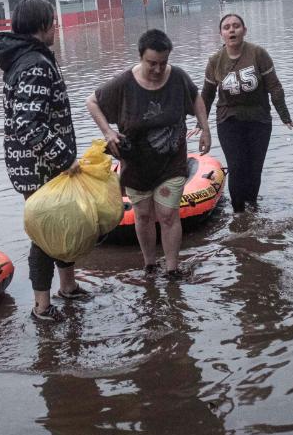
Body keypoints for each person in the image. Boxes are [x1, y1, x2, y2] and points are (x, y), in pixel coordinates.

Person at [86, 29, 211, 279]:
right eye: (152, 63)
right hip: (136, 163)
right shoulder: (124, 83)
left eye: (163, 63)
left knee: (168, 215)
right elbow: (92, 102)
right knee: (143, 215)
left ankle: (173, 269)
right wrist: (108, 132)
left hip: (171, 162)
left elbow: (196, 96)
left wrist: (205, 128)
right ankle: (150, 265)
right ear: (141, 57)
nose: (157, 69)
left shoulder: (177, 77)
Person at [0, 0, 88, 323]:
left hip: (33, 165)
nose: (56, 27)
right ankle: (42, 307)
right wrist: (65, 158)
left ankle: (68, 287)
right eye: (53, 21)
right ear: (42, 25)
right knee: (45, 233)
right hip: (40, 168)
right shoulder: (35, 64)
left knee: (60, 226)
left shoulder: (24, 58)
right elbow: (28, 125)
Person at [201, 14, 293, 213]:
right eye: (227, 27)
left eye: (236, 26)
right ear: (221, 34)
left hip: (259, 119)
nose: (232, 30)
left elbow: (274, 87)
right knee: (237, 166)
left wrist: (285, 116)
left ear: (244, 30)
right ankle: (238, 213)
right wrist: (201, 125)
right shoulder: (215, 61)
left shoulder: (258, 54)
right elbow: (207, 95)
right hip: (228, 120)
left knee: (255, 168)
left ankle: (252, 208)